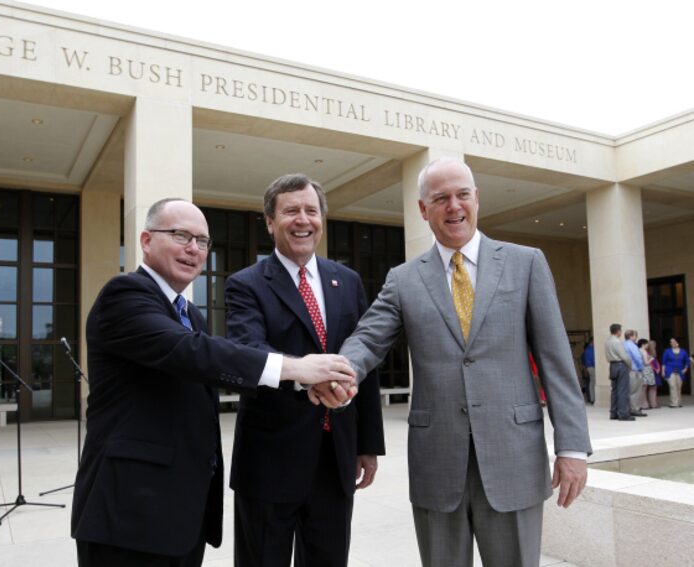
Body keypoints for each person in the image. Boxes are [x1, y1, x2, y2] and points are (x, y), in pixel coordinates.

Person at [326, 157, 591, 567]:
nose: (454, 206)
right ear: (422, 209)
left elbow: (556, 362)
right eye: (441, 198)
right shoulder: (404, 279)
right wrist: (338, 372)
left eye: (462, 195)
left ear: (476, 199)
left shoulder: (526, 264)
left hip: (513, 457)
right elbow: (368, 339)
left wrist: (572, 446)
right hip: (437, 461)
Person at [70, 198, 356, 567]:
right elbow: (193, 353)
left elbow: (212, 368)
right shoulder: (124, 295)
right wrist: (297, 368)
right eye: (180, 235)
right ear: (145, 240)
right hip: (128, 512)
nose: (194, 249)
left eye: (203, 241)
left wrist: (307, 386)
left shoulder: (189, 313)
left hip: (180, 516)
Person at [225, 174, 386, 567]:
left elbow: (364, 361)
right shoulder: (245, 285)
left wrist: (367, 444)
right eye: (291, 211)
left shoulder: (346, 281)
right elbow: (249, 352)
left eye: (311, 211)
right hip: (269, 462)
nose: (303, 220)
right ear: (269, 221)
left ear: (322, 219)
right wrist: (304, 376)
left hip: (335, 459)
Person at [605, 324, 633, 421]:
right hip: (621, 365)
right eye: (620, 330)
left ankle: (613, 412)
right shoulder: (617, 342)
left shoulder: (607, 341)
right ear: (618, 331)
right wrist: (630, 365)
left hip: (612, 365)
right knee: (623, 390)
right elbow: (624, 356)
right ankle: (623, 413)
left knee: (614, 390)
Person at [623, 330, 647, 417]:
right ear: (631, 336)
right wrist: (641, 368)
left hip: (627, 371)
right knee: (636, 391)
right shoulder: (632, 345)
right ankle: (635, 409)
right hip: (635, 371)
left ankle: (630, 408)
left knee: (630, 391)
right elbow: (637, 357)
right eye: (635, 335)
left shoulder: (624, 344)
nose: (636, 337)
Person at [661, 337, 689, 408]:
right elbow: (663, 362)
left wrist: (685, 369)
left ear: (678, 343)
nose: (672, 343)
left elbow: (687, 362)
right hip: (669, 371)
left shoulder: (683, 351)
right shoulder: (667, 351)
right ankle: (673, 403)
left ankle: (679, 402)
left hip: (680, 371)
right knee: (672, 386)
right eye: (671, 342)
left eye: (673, 342)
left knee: (678, 387)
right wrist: (663, 371)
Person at [637, 338, 657, 410]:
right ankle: (647, 404)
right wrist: (651, 358)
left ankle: (643, 404)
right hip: (647, 371)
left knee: (643, 388)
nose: (648, 345)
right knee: (649, 387)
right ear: (643, 344)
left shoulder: (638, 350)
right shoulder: (644, 352)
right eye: (646, 344)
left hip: (641, 370)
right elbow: (646, 363)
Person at [581, 339, 595, 405]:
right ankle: (592, 398)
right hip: (592, 367)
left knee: (590, 383)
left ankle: (591, 398)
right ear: (592, 342)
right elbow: (593, 359)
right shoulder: (591, 350)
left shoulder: (586, 350)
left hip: (588, 368)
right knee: (592, 383)